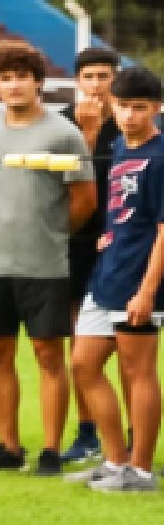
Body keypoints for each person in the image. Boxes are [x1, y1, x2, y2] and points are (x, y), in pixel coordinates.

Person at [0, 41, 97, 477]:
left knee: (48, 355)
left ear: (38, 81)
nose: (14, 85)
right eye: (5, 79)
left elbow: (84, 198)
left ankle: (50, 450)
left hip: (45, 264)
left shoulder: (64, 133)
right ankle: (8, 446)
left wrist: (55, 234)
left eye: (22, 77)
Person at [68, 65, 164, 494]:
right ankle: (114, 461)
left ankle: (140, 471)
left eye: (140, 108)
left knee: (137, 368)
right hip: (108, 272)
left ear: (157, 109)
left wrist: (147, 290)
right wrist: (110, 233)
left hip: (140, 278)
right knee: (83, 365)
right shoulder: (120, 149)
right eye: (123, 106)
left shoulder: (161, 157)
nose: (130, 116)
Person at [63, 45, 122, 462]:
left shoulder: (135, 123)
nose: (98, 85)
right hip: (76, 243)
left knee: (130, 343)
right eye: (90, 77)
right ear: (77, 81)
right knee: (79, 340)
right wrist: (85, 133)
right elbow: (67, 182)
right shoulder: (64, 123)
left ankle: (133, 431)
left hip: (126, 247)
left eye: (105, 76)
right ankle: (87, 432)